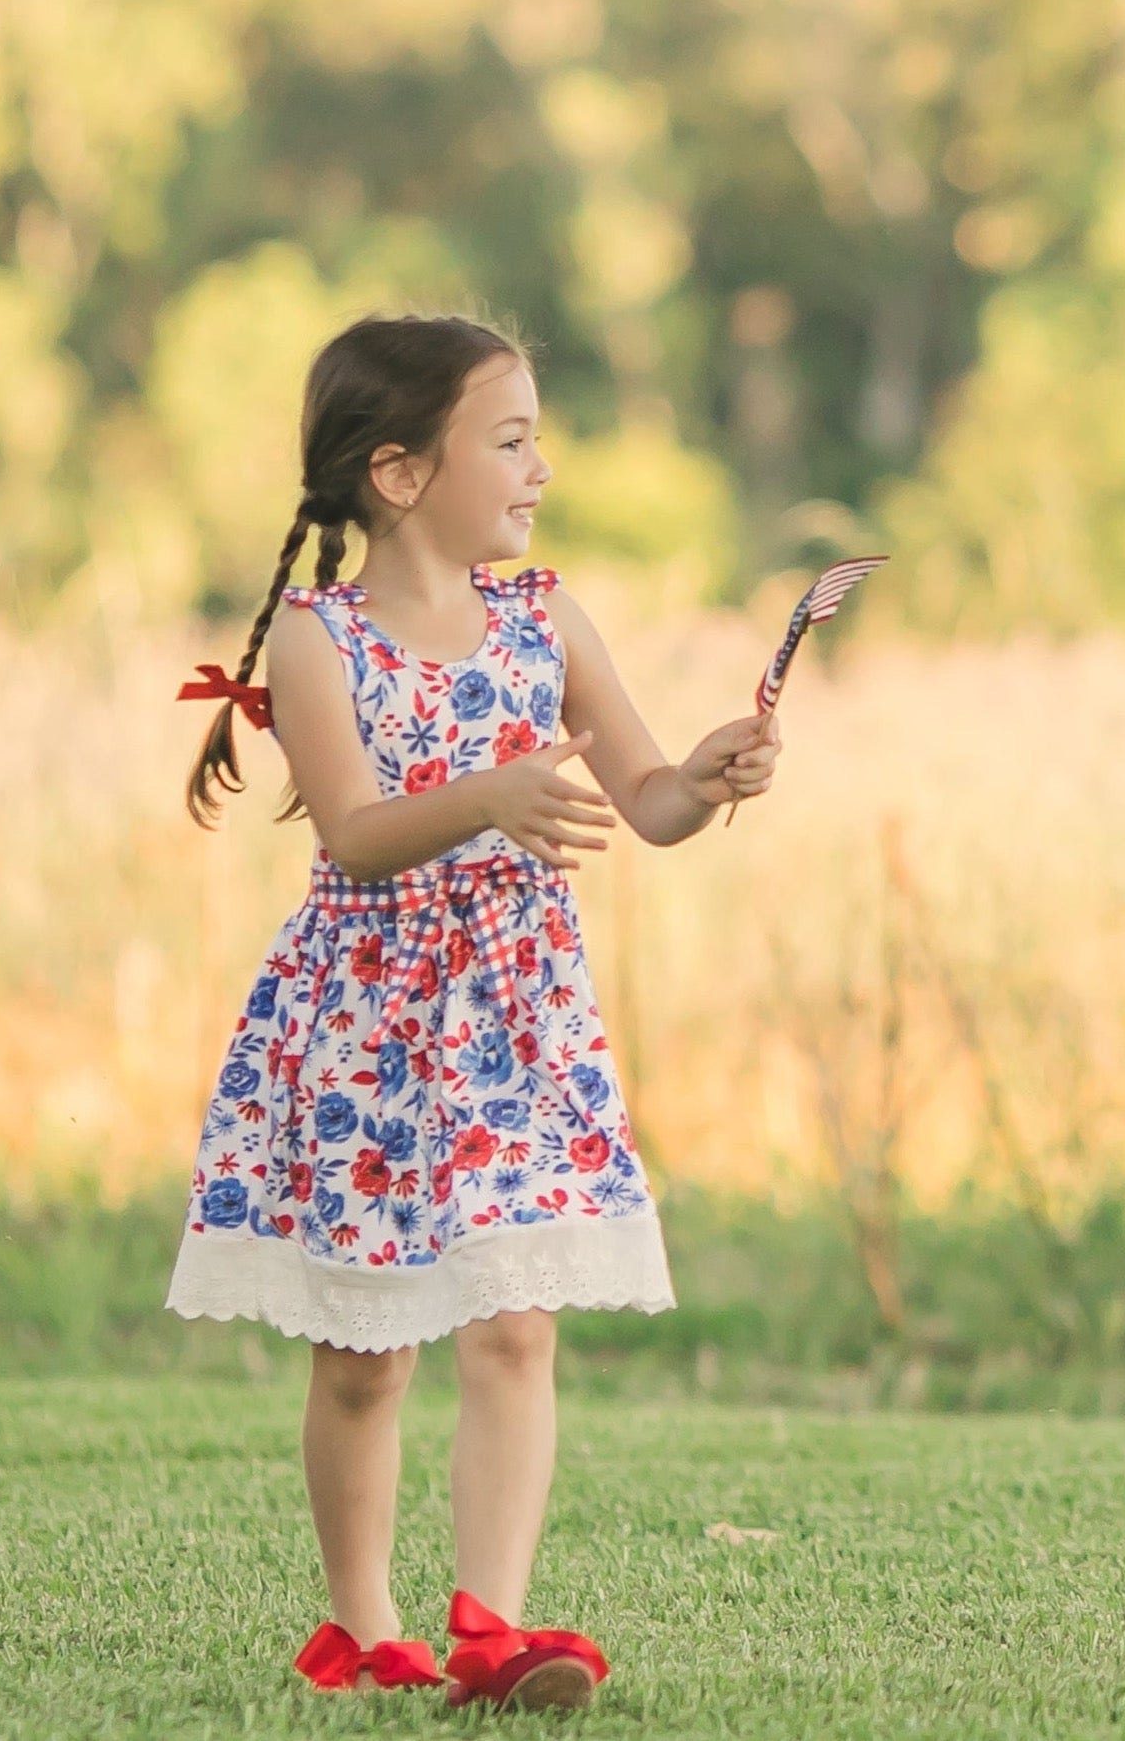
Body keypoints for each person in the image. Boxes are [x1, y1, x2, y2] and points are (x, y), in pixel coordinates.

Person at [166, 313, 780, 1711]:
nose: (540, 467)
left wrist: (712, 773)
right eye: (509, 440)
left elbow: (652, 804)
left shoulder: (545, 618)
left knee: (515, 1323)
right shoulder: (322, 644)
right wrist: (492, 798)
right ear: (398, 473)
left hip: (516, 1026)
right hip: (370, 1028)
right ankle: (362, 1623)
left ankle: (492, 1627)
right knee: (369, 1355)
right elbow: (360, 836)